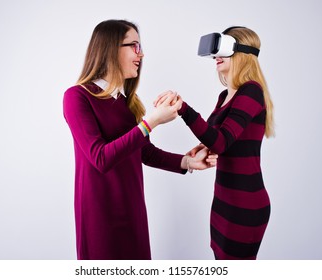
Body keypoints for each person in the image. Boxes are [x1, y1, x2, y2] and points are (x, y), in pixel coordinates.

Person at [63, 19, 216, 260]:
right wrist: (151, 122)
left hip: (132, 209)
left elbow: (144, 151)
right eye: (134, 46)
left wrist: (187, 162)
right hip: (99, 215)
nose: (141, 54)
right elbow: (100, 158)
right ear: (111, 49)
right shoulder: (77, 97)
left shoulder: (124, 103)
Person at [155, 26, 274, 259]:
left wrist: (183, 109)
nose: (216, 56)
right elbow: (218, 140)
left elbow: (221, 142)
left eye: (224, 49)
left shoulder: (251, 92)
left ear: (240, 52)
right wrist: (205, 147)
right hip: (223, 201)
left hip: (245, 204)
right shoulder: (225, 95)